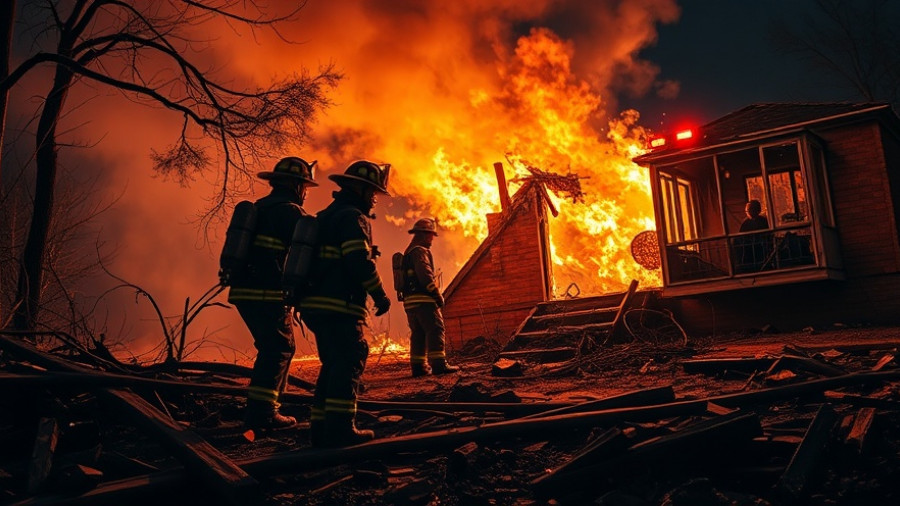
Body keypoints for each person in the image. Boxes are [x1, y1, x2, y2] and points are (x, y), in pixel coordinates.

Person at [297, 160, 392, 447]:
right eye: (372, 192)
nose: (374, 199)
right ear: (361, 189)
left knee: (332, 364)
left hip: (316, 304)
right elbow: (358, 261)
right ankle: (340, 430)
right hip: (339, 304)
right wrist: (380, 294)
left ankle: (321, 430)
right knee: (350, 359)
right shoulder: (353, 217)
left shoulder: (328, 215)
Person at [227, 156, 318, 431]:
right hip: (267, 292)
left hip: (244, 291)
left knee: (272, 347)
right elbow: (307, 254)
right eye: (304, 185)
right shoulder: (291, 212)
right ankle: (263, 413)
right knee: (278, 348)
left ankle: (264, 407)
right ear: (295, 185)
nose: (305, 192)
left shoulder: (259, 208)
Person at [400, 218, 460, 377]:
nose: (432, 239)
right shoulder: (420, 251)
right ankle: (439, 365)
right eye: (431, 235)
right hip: (424, 300)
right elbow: (425, 275)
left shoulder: (408, 252)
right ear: (424, 235)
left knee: (418, 334)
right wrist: (436, 294)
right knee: (435, 329)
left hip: (410, 302)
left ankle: (418, 367)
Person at [735, 199, 772, 272]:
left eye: (748, 210)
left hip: (761, 247)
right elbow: (741, 236)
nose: (747, 212)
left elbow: (767, 234)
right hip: (749, 249)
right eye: (747, 211)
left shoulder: (763, 221)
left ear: (757, 210)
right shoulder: (745, 223)